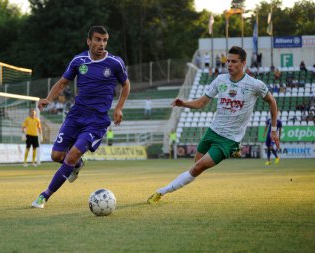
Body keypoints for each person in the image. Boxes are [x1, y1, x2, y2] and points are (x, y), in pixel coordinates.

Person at [147, 46, 279, 204]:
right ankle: (235, 150)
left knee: (197, 168)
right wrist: (183, 103)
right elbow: (202, 102)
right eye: (228, 61)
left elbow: (272, 101)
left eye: (234, 61)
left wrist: (273, 129)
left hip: (228, 140)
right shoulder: (220, 80)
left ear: (243, 63)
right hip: (212, 131)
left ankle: (161, 192)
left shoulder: (255, 85)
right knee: (195, 168)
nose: (229, 64)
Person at [32, 25, 130, 208]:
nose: (102, 43)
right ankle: (76, 166)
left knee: (72, 155)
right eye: (98, 39)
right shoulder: (78, 61)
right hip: (76, 115)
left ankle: (44, 196)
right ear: (89, 41)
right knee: (56, 155)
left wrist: (119, 108)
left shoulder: (115, 63)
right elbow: (62, 83)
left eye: (105, 40)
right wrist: (48, 98)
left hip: (96, 121)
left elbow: (126, 85)